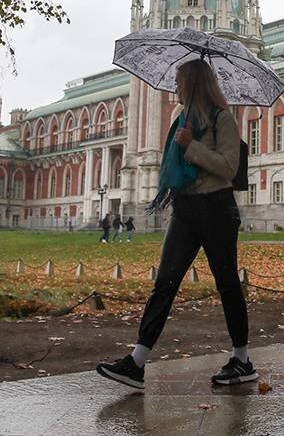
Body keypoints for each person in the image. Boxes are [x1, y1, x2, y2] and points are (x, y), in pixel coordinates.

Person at [97, 58, 255, 390]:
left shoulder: (222, 119)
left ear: (195, 84)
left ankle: (242, 359)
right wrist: (183, 144)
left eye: (180, 81)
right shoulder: (181, 121)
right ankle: (136, 363)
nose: (174, 87)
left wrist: (191, 146)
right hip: (184, 208)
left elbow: (228, 166)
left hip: (216, 208)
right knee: (165, 283)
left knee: (226, 283)